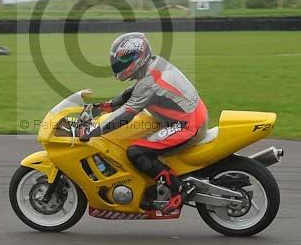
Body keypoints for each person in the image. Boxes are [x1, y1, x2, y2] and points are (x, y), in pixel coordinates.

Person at [78, 32, 208, 214]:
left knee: (136, 152)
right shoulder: (153, 65)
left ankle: (179, 189)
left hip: (187, 125)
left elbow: (128, 112)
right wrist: (101, 107)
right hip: (190, 115)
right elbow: (132, 94)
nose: (119, 66)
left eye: (124, 61)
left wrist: (96, 131)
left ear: (138, 57)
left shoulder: (148, 81)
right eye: (117, 62)